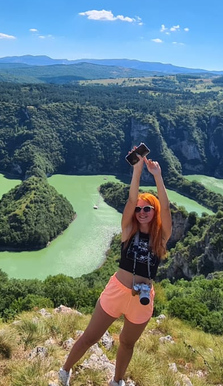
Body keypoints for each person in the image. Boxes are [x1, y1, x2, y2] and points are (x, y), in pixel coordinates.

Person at [59, 152, 172, 386]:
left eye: (147, 209)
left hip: (142, 297)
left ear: (154, 212)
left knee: (127, 343)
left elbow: (167, 208)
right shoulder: (128, 230)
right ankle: (65, 371)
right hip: (117, 290)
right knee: (91, 336)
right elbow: (131, 201)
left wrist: (158, 177)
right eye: (139, 209)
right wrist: (137, 171)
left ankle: (117, 381)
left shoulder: (160, 238)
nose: (141, 212)